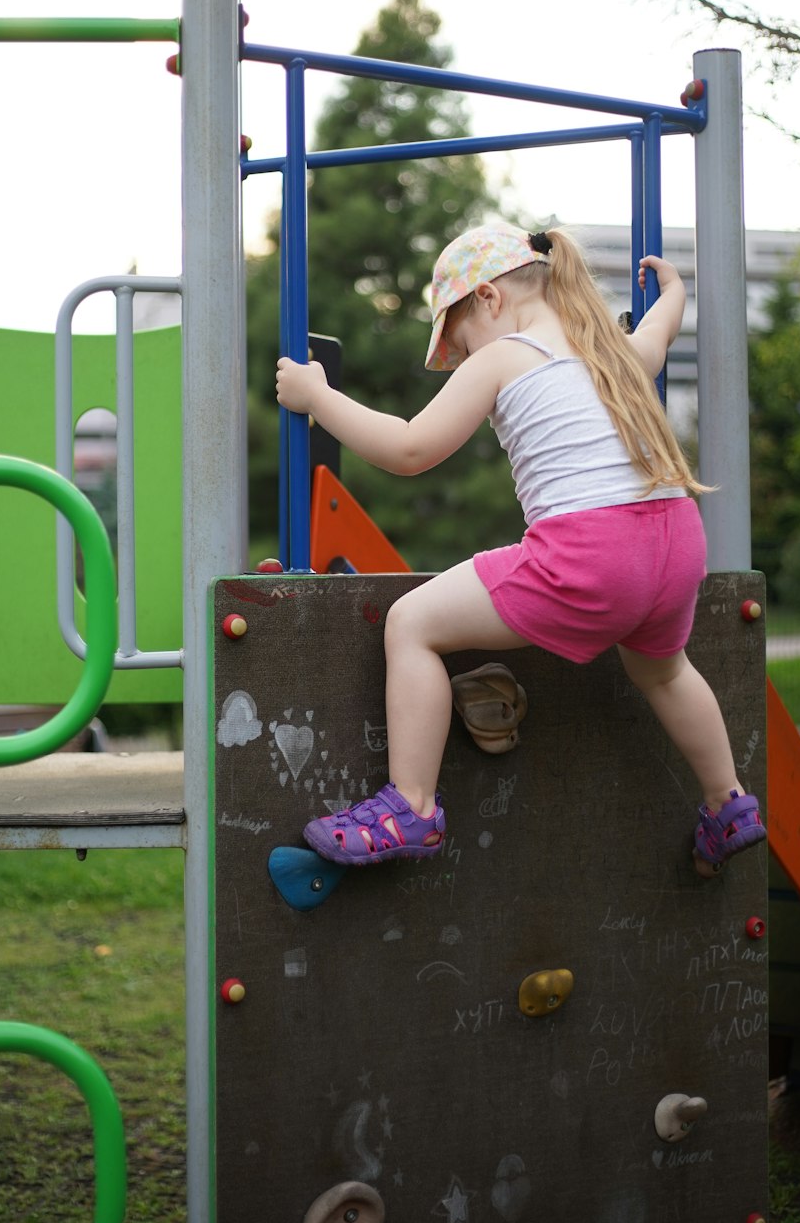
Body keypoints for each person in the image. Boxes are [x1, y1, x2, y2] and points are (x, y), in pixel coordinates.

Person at [275, 222, 766, 879]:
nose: (464, 353)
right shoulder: (612, 348)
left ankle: (411, 807)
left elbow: (411, 448)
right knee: (665, 672)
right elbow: (661, 333)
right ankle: (727, 801)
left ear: (488, 300)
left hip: (593, 554)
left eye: (459, 338)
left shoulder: (503, 355)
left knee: (411, 624)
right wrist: (674, 289)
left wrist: (318, 398)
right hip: (676, 542)